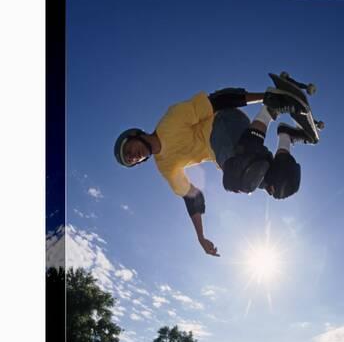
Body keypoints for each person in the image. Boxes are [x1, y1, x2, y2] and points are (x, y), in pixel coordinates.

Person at [114, 86, 312, 256]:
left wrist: (265, 96)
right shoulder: (165, 165)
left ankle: (270, 109)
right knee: (279, 185)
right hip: (226, 155)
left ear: (135, 135)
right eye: (131, 160)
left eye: (128, 150)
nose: (132, 156)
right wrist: (201, 237)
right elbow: (192, 197)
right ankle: (286, 136)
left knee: (238, 175)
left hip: (223, 122)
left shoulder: (170, 121)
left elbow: (217, 100)